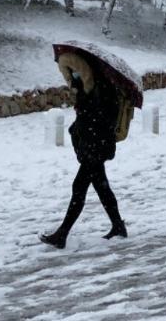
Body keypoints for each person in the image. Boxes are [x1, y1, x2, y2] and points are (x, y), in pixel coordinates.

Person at [40, 52, 126, 249]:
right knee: (101, 187)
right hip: (92, 146)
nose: (73, 77)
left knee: (79, 188)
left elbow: (102, 118)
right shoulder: (88, 89)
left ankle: (62, 234)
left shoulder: (102, 88)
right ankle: (118, 226)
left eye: (75, 72)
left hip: (96, 147)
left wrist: (85, 115)